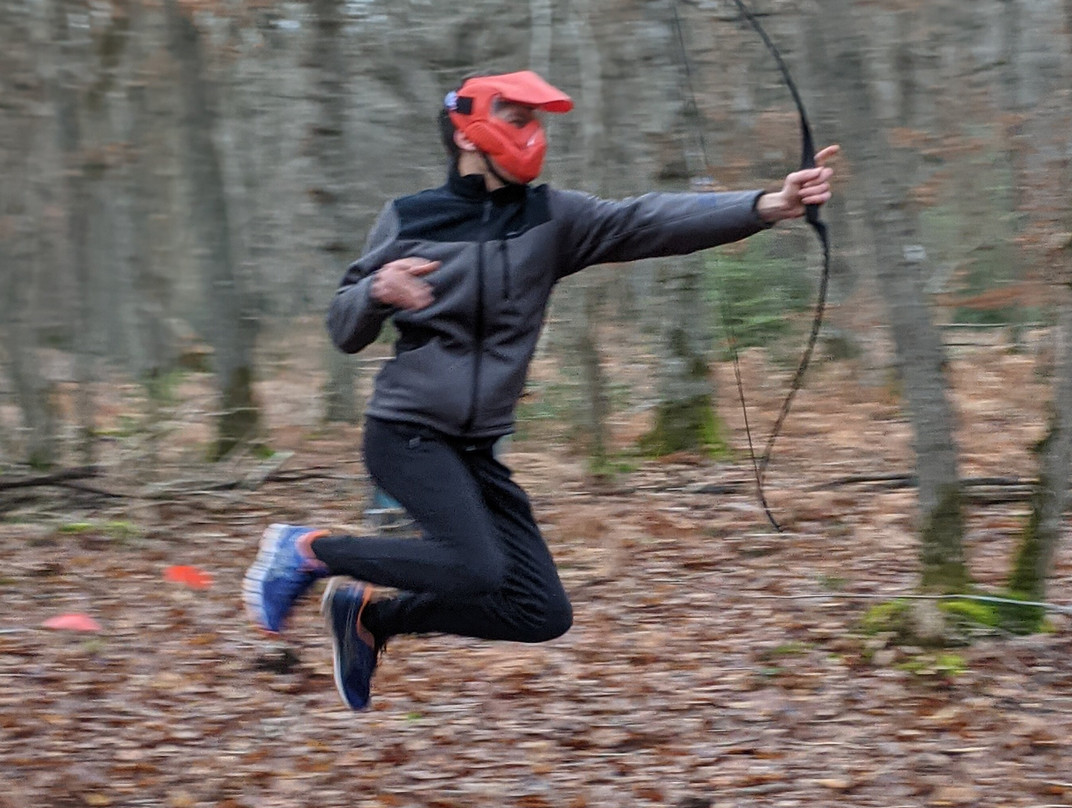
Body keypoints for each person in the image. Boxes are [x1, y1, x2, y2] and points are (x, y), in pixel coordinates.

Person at [244, 70, 838, 711]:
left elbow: (648, 219)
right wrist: (375, 291)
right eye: (520, 118)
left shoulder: (551, 218)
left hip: (475, 448)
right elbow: (343, 328)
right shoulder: (411, 218)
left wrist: (767, 206)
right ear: (469, 133)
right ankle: (305, 550)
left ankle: (370, 620)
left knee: (538, 610)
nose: (535, 134)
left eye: (538, 121)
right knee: (474, 568)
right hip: (406, 433)